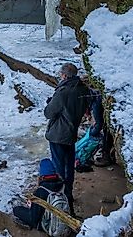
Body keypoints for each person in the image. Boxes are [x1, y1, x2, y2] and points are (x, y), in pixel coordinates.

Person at [44, 62, 89, 216]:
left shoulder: (63, 92)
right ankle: (68, 196)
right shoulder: (83, 89)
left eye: (60, 75)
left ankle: (59, 202)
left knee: (58, 168)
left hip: (58, 135)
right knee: (69, 167)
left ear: (64, 75)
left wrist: (51, 102)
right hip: (71, 134)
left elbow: (49, 113)